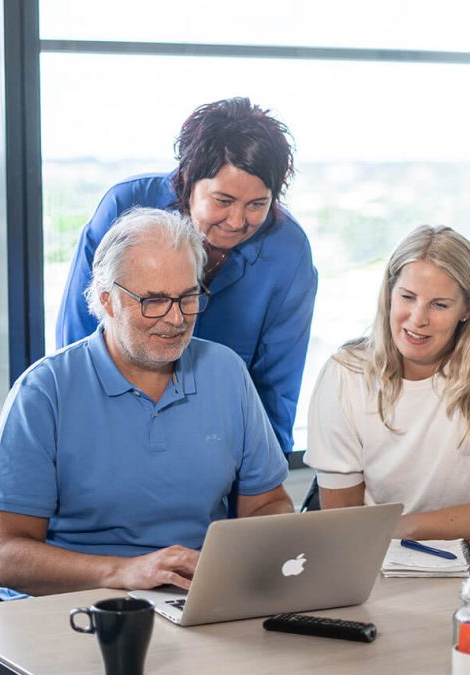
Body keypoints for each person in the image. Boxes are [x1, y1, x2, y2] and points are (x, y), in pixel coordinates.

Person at [0, 208, 294, 596]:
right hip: (74, 607)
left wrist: (248, 562)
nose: (176, 319)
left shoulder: (226, 372)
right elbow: (3, 558)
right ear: (107, 300)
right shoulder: (44, 391)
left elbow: (268, 505)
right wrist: (124, 572)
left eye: (187, 297)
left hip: (191, 598)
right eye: (154, 301)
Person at [56, 97, 317, 456]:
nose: (238, 221)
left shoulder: (288, 250)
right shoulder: (123, 208)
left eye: (258, 204)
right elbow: (77, 343)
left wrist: (263, 486)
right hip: (107, 433)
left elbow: (276, 389)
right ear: (189, 179)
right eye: (223, 201)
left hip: (216, 445)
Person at [303, 225, 470, 541]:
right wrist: (381, 536)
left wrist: (396, 528)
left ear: (469, 308)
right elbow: (344, 522)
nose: (418, 318)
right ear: (390, 293)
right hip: (376, 562)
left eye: (440, 305)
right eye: (407, 297)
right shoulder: (345, 372)